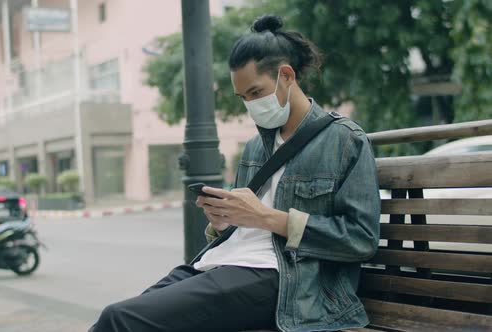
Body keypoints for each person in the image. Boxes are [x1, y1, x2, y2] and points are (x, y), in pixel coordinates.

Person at [89, 14, 381, 332]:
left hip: (285, 281)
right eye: (244, 98)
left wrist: (268, 218)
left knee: (120, 320)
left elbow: (361, 239)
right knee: (116, 318)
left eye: (256, 93)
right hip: (223, 262)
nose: (251, 105)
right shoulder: (256, 146)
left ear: (286, 76)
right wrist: (221, 220)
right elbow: (241, 226)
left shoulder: (344, 140)